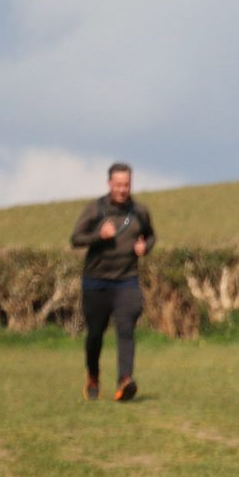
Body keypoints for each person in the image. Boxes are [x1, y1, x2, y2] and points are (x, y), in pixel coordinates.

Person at [70, 162, 156, 402]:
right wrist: (99, 236)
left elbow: (151, 235)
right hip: (96, 282)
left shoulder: (140, 211)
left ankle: (124, 381)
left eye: (126, 184)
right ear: (109, 184)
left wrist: (144, 247)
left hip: (127, 280)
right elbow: (75, 239)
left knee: (126, 329)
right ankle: (93, 376)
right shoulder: (95, 209)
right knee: (95, 334)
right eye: (118, 185)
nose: (122, 189)